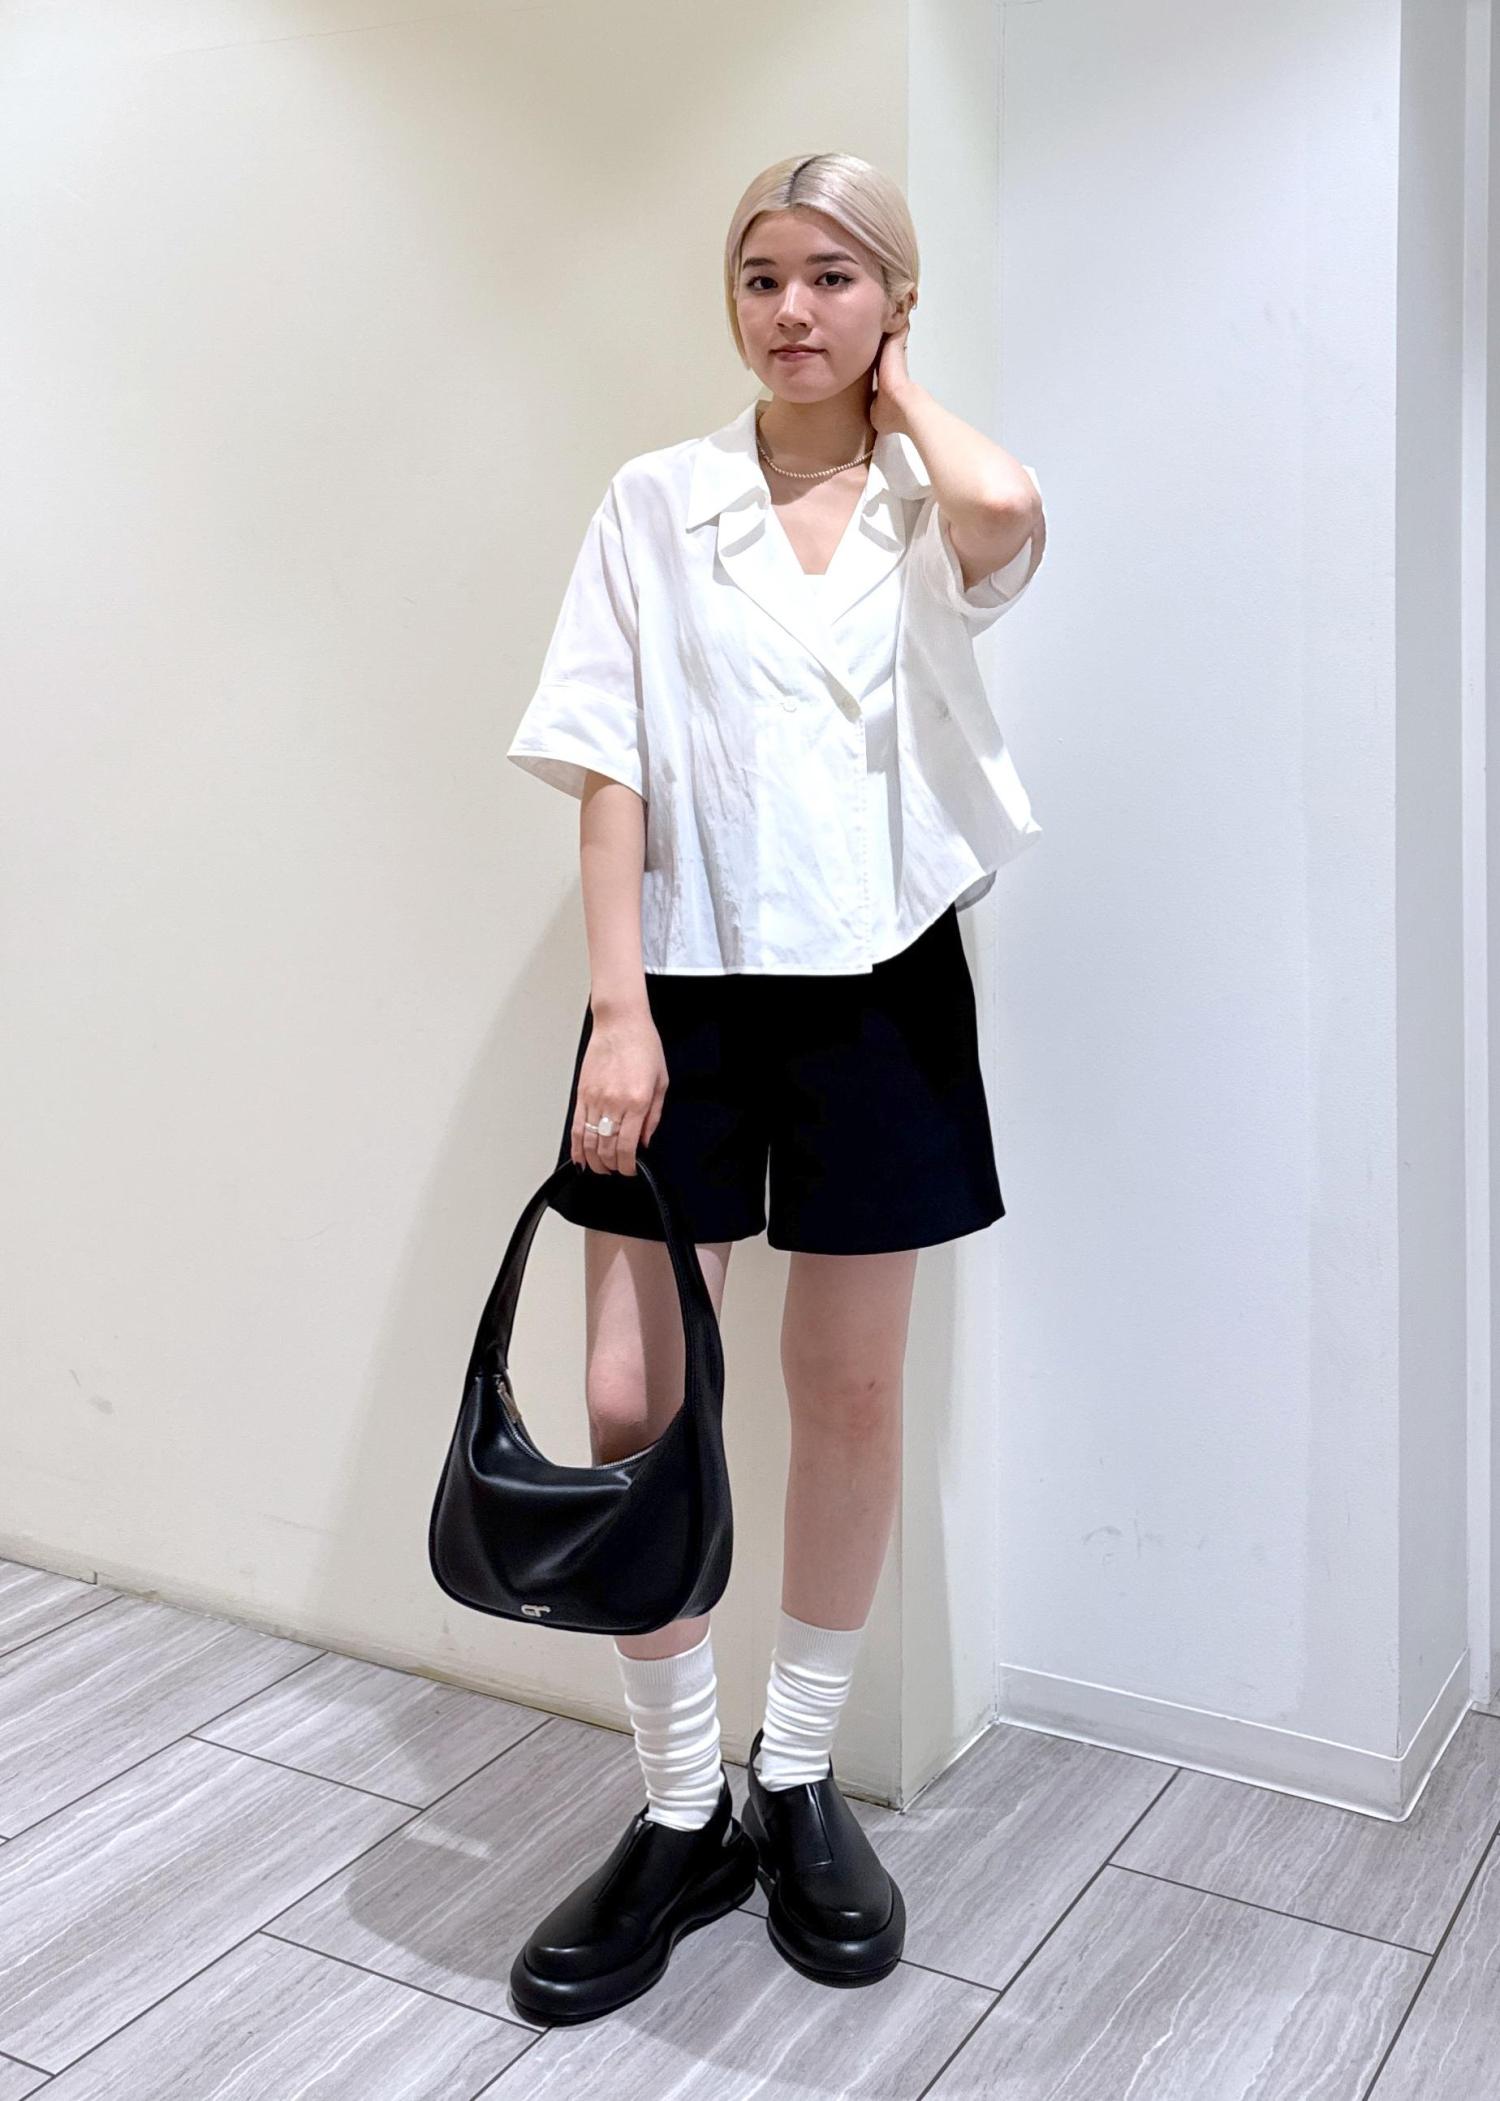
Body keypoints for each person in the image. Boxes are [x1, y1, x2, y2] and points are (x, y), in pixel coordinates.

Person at [503, 150, 1047, 2027]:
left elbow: (1009, 506)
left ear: (893, 300)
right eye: (760, 276)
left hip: (882, 993)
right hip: (680, 992)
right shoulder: (656, 502)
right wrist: (617, 1010)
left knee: (852, 1387)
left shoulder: (924, 501)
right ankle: (679, 1806)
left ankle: (797, 1777)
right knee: (632, 1397)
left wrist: (897, 396)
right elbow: (608, 762)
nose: (791, 309)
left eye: (833, 275)